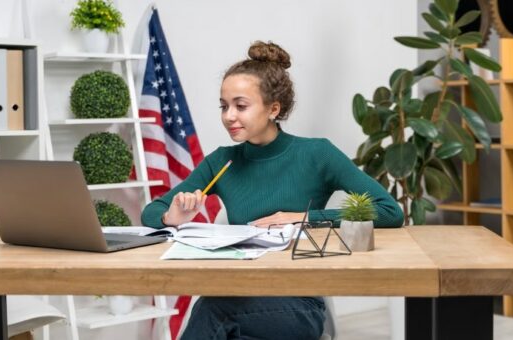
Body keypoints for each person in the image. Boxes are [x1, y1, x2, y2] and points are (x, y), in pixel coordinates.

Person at [141, 41, 404, 340]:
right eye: (224, 106)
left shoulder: (317, 153)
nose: (229, 116)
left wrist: (303, 217)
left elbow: (389, 211)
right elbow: (151, 212)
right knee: (223, 318)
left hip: (298, 304)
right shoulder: (222, 161)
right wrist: (171, 216)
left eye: (241, 106)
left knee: (212, 309)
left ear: (273, 109)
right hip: (241, 294)